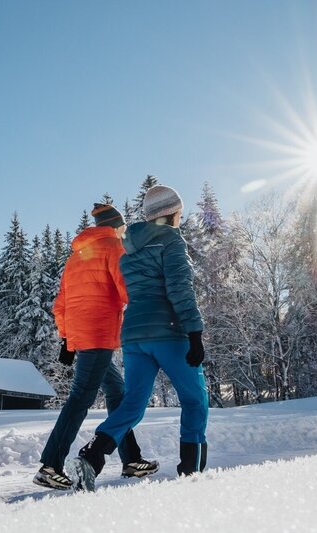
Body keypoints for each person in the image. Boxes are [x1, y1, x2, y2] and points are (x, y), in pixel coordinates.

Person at [70, 185, 208, 491]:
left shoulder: (129, 249)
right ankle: (191, 472)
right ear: (171, 214)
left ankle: (91, 457)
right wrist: (194, 332)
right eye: (179, 213)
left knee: (132, 404)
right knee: (195, 398)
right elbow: (179, 288)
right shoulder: (172, 242)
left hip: (134, 336)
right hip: (169, 331)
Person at [33, 203, 159, 490]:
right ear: (115, 227)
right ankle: (50, 465)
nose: (125, 233)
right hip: (99, 333)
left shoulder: (75, 257)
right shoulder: (113, 248)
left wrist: (67, 339)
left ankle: (131, 459)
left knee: (117, 393)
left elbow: (60, 304)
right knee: (79, 399)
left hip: (82, 336)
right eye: (123, 228)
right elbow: (127, 289)